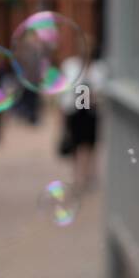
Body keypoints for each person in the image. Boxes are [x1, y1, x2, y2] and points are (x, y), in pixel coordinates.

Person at [59, 48, 106, 193]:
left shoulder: (99, 69)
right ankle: (78, 177)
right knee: (76, 144)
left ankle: (89, 176)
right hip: (76, 112)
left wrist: (94, 96)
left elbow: (102, 93)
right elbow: (64, 94)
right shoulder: (70, 66)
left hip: (90, 113)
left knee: (90, 145)